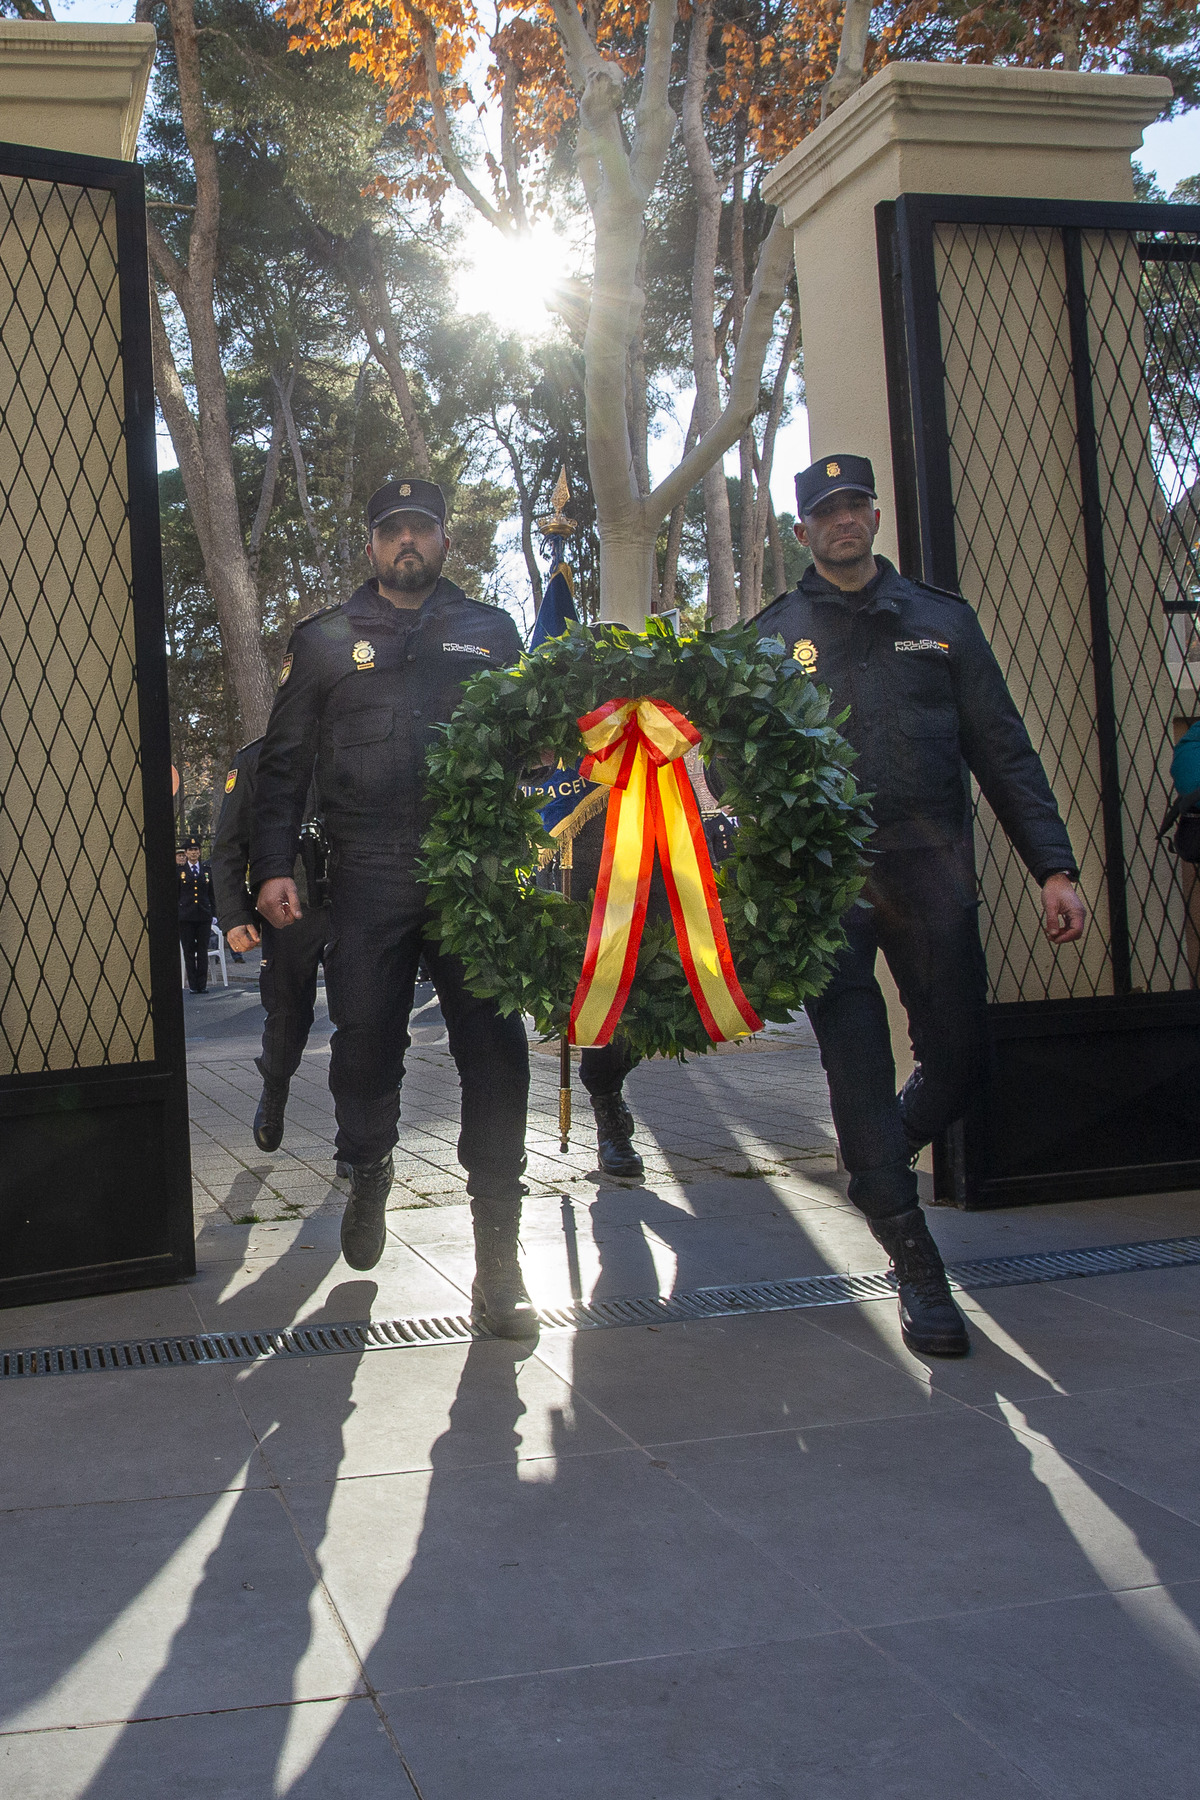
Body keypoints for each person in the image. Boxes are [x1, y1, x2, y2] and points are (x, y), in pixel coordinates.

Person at [754, 454, 1086, 1358]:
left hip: (931, 871)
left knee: (962, 1056)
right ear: (803, 532)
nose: (844, 521)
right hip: (827, 887)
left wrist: (1052, 867)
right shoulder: (770, 637)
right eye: (826, 512)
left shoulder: (943, 622)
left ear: (875, 515)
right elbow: (733, 769)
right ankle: (918, 1266)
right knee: (856, 1061)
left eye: (855, 504)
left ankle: (876, 1159)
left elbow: (1004, 752)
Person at [248, 479, 535, 1337]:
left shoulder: (492, 631)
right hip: (367, 873)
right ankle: (367, 1165)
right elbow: (283, 764)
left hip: (473, 872)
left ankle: (499, 1270)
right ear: (371, 545)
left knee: (497, 1056)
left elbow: (531, 733)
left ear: (445, 540)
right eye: (392, 531)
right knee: (367, 1043)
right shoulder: (326, 642)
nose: (407, 541)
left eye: (422, 529)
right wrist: (271, 866)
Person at [211, 739, 334, 1158]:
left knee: (363, 1023)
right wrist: (233, 915)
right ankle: (274, 1090)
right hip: (287, 911)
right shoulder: (255, 759)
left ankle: (361, 1142)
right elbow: (228, 846)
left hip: (350, 906)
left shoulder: (352, 736)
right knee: (286, 1019)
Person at [178, 836, 216, 994]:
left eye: (196, 850)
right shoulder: (180, 872)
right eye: (190, 850)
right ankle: (193, 984)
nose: (193, 853)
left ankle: (202, 984)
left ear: (200, 852)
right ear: (186, 853)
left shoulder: (207, 871)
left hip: (203, 916)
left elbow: (211, 894)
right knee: (188, 950)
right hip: (186, 916)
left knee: (202, 950)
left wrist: (213, 913)